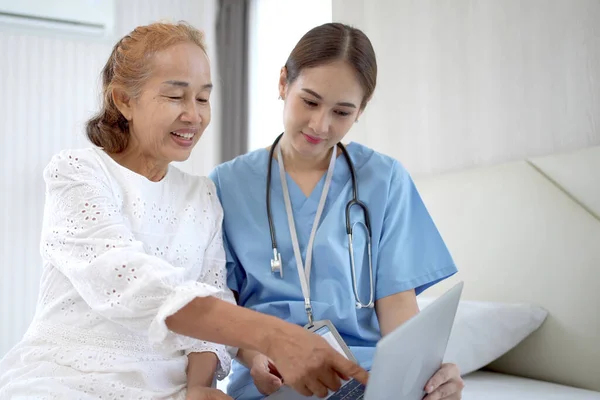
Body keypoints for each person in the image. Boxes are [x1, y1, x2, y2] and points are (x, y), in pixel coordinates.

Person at [0, 21, 368, 400]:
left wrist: (199, 387)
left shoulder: (201, 195)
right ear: (124, 99)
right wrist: (271, 334)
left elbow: (212, 294)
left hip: (167, 391)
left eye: (203, 98)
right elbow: (131, 281)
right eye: (176, 97)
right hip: (68, 380)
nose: (194, 116)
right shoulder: (79, 173)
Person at [209, 22, 465, 400]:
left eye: (342, 112)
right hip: (278, 378)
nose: (320, 125)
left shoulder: (384, 180)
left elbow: (398, 311)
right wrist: (253, 354)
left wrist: (423, 378)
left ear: (361, 111)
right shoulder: (226, 185)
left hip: (366, 378)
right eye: (309, 102)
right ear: (283, 83)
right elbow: (221, 308)